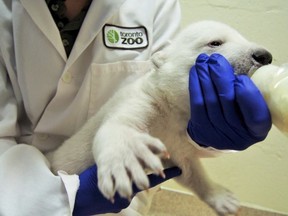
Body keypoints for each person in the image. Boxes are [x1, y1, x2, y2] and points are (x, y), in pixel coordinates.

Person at [0, 0, 271, 215]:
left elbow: (181, 150)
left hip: (124, 202)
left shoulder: (155, 6)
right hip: (19, 187)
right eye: (215, 44)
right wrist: (64, 198)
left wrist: (212, 135)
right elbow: (117, 128)